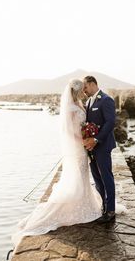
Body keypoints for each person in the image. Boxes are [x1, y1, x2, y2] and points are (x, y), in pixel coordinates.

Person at [11, 79, 102, 252]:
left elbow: (82, 125)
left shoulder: (79, 104)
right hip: (77, 147)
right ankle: (76, 204)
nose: (84, 91)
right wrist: (82, 140)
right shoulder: (70, 108)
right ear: (75, 91)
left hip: (82, 146)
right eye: (81, 89)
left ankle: (85, 201)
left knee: (82, 175)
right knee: (78, 174)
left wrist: (87, 133)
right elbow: (68, 131)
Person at [83, 76, 116, 223]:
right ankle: (103, 206)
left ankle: (110, 210)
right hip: (91, 148)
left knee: (106, 176)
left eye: (85, 87)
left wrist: (96, 139)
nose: (83, 90)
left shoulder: (106, 100)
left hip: (102, 146)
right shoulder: (89, 101)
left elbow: (110, 123)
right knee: (97, 178)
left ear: (92, 84)